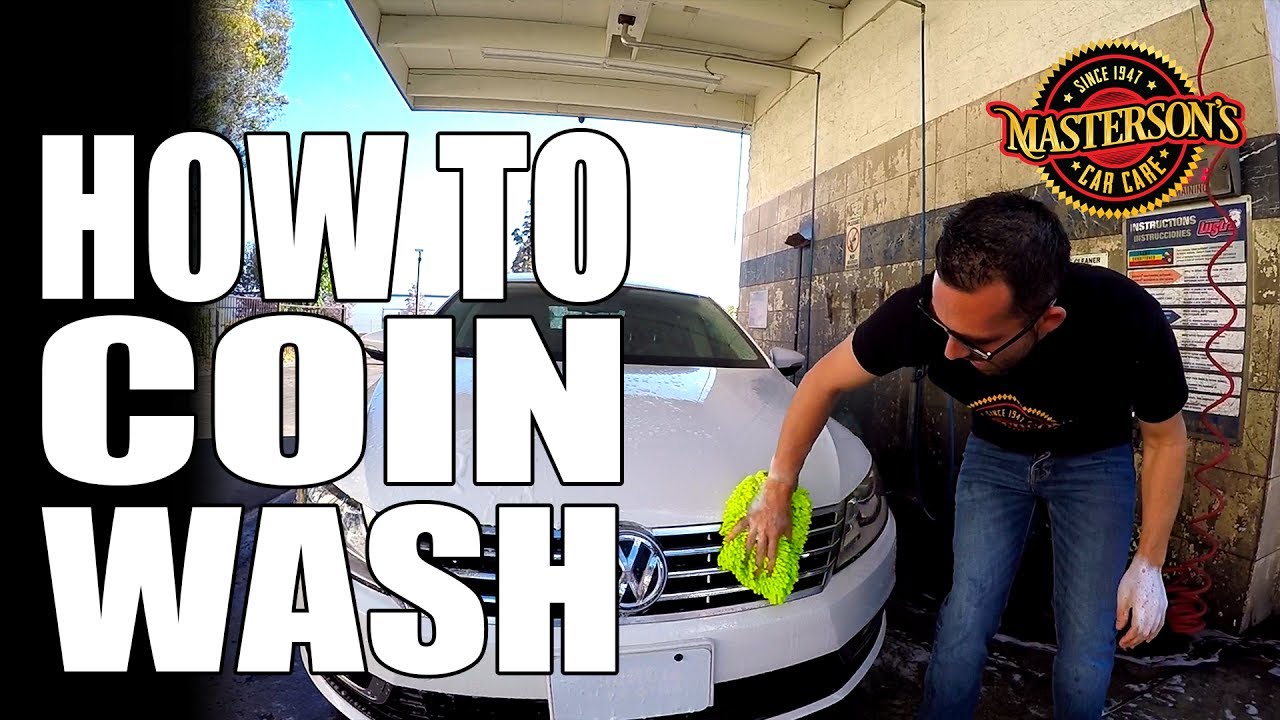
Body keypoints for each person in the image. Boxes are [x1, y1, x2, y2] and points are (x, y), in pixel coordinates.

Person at [729, 191, 1188, 720]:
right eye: (944, 329)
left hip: (1094, 464)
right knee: (967, 612)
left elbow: (1165, 439)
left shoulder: (1125, 318)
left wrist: (1149, 562)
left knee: (1087, 635)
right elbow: (821, 382)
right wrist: (778, 487)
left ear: (1047, 321)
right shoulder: (918, 314)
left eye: (976, 343)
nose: (949, 352)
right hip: (995, 458)